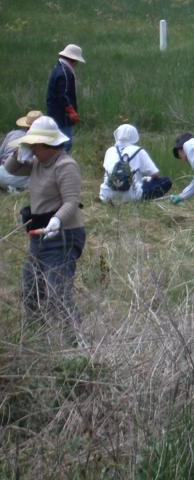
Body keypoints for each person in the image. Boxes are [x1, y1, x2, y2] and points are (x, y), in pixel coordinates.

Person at [4, 116, 85, 342]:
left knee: (57, 291)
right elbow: (11, 170)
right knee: (32, 291)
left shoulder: (65, 165)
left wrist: (57, 221)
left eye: (35, 145)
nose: (33, 149)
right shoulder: (38, 162)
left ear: (48, 145)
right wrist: (20, 152)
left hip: (64, 235)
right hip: (39, 236)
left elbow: (71, 201)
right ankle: (38, 337)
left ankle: (75, 341)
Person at [98, 124, 173, 203]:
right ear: (135, 136)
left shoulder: (110, 150)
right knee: (166, 181)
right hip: (131, 196)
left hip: (106, 196)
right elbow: (155, 174)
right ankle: (138, 199)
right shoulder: (139, 151)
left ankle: (110, 198)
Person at [46, 43, 85, 152]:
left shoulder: (58, 68)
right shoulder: (65, 74)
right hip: (61, 115)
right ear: (73, 60)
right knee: (65, 143)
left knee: (57, 141)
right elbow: (62, 95)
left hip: (54, 112)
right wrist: (71, 111)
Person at [0, 110, 41, 192]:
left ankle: (11, 186)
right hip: (17, 171)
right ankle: (15, 187)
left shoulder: (13, 133)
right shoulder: (38, 141)